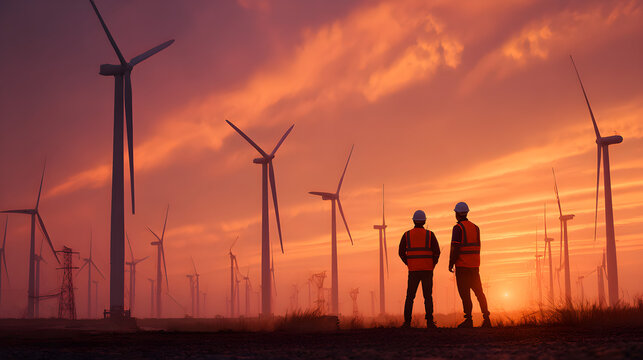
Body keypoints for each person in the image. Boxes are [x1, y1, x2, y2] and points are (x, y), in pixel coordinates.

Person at [449, 202, 491, 328]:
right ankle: (487, 318)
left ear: (457, 214)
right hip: (475, 267)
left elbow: (456, 247)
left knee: (465, 294)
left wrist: (451, 263)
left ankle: (468, 320)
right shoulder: (475, 228)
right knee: (479, 293)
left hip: (462, 267)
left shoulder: (458, 228)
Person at [399, 210, 440, 328]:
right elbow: (436, 252)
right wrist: (433, 264)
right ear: (424, 221)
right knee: (428, 296)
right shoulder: (430, 235)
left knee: (410, 297)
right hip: (427, 270)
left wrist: (409, 263)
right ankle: (430, 322)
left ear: (413, 220)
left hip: (413, 271)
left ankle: (407, 322)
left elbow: (401, 252)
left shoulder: (407, 235)